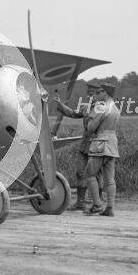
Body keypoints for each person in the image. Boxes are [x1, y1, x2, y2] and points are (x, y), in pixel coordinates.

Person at [53, 82, 103, 211]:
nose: (89, 96)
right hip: (85, 145)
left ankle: (97, 202)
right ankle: (80, 202)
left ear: (100, 95)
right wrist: (60, 104)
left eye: (92, 94)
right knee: (80, 173)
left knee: (96, 174)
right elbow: (73, 113)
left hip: (97, 145)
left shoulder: (103, 109)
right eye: (88, 93)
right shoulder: (86, 108)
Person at [84, 82, 120, 217]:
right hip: (112, 144)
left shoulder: (101, 107)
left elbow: (91, 127)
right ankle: (110, 207)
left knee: (90, 174)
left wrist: (88, 120)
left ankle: (97, 205)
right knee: (110, 179)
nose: (98, 94)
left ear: (105, 92)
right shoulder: (115, 108)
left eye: (100, 92)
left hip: (100, 143)